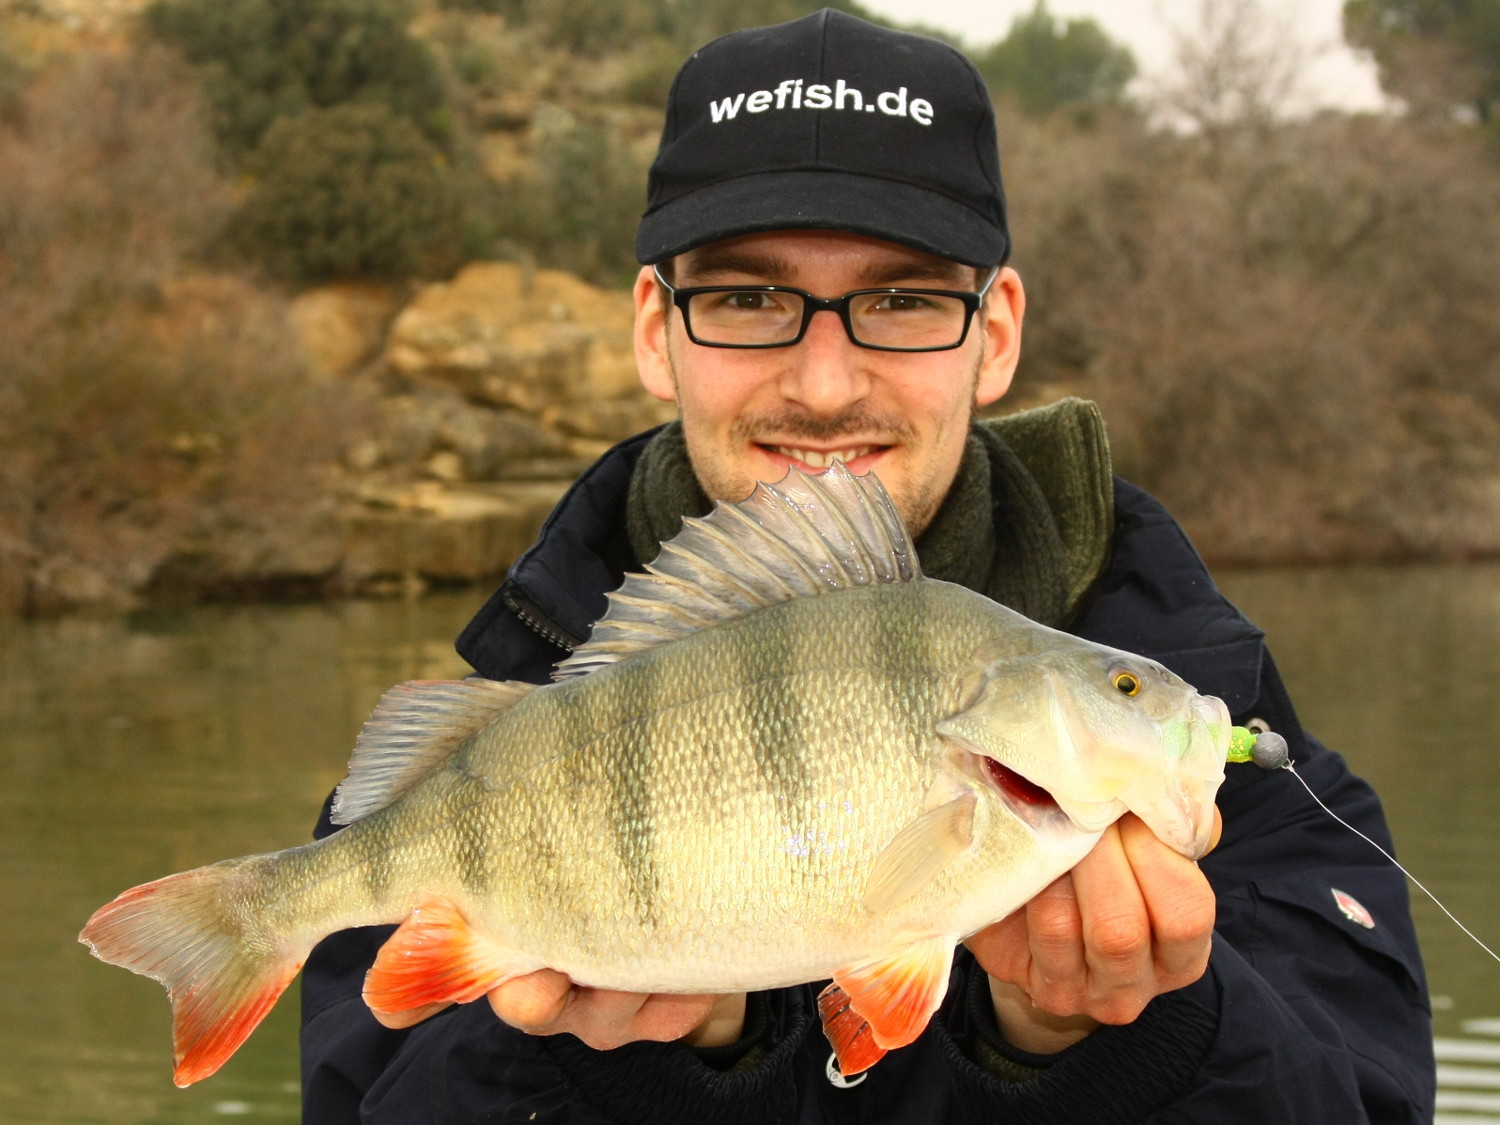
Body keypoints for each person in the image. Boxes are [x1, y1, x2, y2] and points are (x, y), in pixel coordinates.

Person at [300, 9, 1436, 1121]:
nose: (827, 384)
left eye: (900, 301)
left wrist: (1113, 1050)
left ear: (993, 335)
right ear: (657, 329)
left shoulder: (1235, 762)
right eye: (748, 299)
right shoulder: (493, 766)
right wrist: (627, 1074)